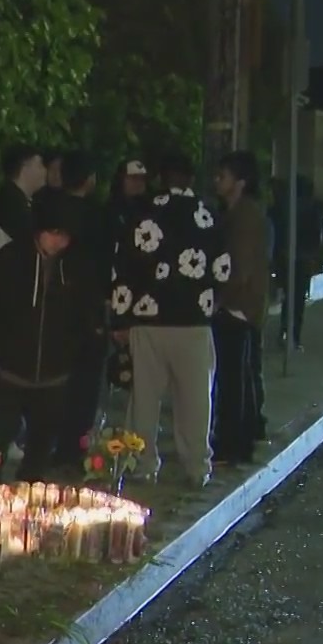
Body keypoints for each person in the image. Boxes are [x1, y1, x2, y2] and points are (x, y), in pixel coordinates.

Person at [111, 152, 228, 486]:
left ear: (161, 179)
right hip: (193, 321)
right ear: (192, 180)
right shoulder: (208, 216)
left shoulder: (144, 216)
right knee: (195, 399)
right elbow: (222, 268)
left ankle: (142, 463)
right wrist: (210, 304)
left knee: (145, 397)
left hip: (148, 321)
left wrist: (121, 318)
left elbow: (124, 269)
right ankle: (196, 466)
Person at [0, 198, 77, 482]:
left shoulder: (73, 264)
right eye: (53, 233)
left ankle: (29, 497)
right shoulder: (12, 258)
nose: (58, 242)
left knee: (41, 444)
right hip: (13, 370)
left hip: (54, 374)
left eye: (64, 235)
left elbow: (81, 312)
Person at [51, 151, 116, 463]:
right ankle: (75, 447)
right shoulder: (98, 215)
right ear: (90, 180)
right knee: (85, 382)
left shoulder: (48, 209)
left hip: (54, 307)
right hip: (88, 306)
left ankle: (52, 443)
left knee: (57, 379)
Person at [212, 150, 269, 466]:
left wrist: (219, 300)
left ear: (240, 182)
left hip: (238, 307)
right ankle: (238, 438)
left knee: (233, 378)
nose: (217, 182)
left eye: (223, 176)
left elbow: (239, 268)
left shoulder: (244, 216)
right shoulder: (237, 213)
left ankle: (234, 442)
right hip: (240, 305)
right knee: (237, 375)